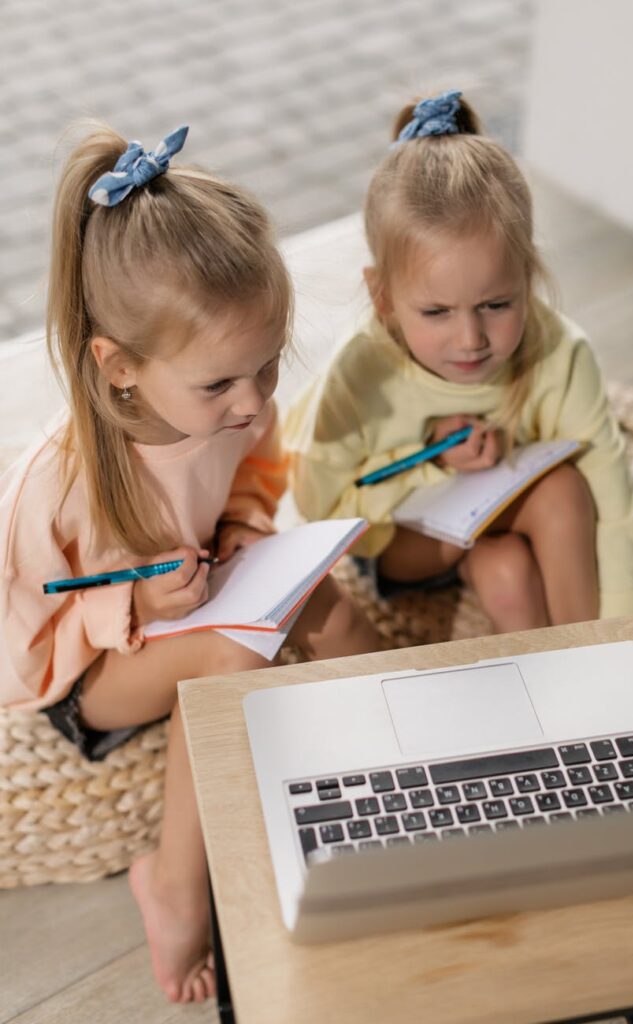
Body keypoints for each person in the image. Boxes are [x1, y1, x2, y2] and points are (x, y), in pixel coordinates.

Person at [0, 124, 384, 1004]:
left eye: (267, 367)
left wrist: (245, 525)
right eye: (220, 385)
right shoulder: (55, 484)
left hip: (203, 594)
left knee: (327, 603)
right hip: (93, 679)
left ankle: (395, 759)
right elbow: (24, 636)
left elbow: (254, 474)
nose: (252, 402)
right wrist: (133, 607)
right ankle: (173, 887)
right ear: (119, 368)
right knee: (232, 654)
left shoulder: (238, 405)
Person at [285, 90, 633, 630]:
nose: (470, 340)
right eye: (436, 312)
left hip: (498, 531)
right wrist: (430, 460)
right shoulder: (361, 374)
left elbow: (617, 508)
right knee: (561, 492)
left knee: (507, 569)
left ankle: (580, 664)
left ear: (527, 277)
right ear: (382, 296)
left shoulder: (560, 352)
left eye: (496, 305)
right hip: (400, 543)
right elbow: (321, 508)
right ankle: (602, 650)